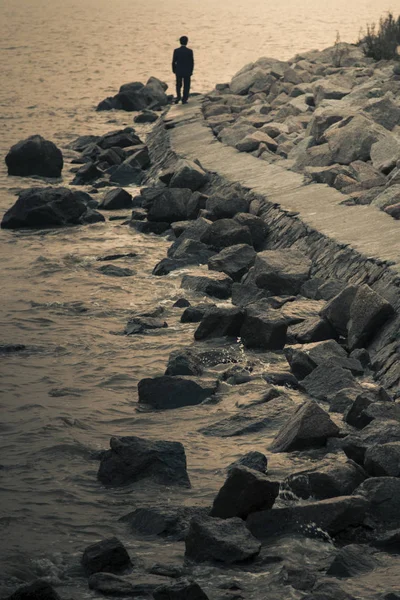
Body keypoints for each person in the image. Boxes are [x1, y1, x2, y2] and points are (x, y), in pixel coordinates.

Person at [172, 36, 194, 104]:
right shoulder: (189, 51)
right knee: (186, 85)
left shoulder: (176, 51)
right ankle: (184, 99)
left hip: (179, 70)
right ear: (187, 42)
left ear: (180, 42)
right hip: (187, 71)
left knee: (178, 85)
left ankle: (178, 97)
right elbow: (192, 62)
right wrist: (191, 71)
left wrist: (174, 70)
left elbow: (173, 61)